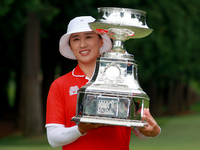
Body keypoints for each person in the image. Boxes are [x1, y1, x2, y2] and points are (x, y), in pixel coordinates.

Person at [45, 16, 161, 150]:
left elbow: (139, 129)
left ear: (101, 41)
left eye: (89, 37)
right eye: (76, 39)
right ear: (70, 46)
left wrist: (154, 130)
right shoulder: (60, 85)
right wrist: (81, 129)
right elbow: (53, 138)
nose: (82, 44)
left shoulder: (122, 79)